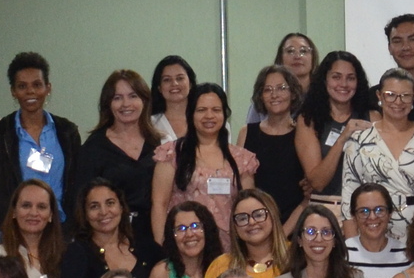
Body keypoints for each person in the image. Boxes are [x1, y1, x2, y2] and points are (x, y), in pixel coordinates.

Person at [339, 69, 414, 245]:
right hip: (372, 228)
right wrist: (353, 249)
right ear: (379, 96)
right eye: (390, 95)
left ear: (413, 98)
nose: (398, 102)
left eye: (405, 95)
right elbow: (349, 196)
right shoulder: (359, 139)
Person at [152, 82, 258, 251]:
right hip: (183, 248)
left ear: (224, 114)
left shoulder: (241, 159)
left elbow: (247, 208)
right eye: (201, 110)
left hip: (229, 251)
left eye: (216, 110)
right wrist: (161, 248)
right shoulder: (172, 154)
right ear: (191, 114)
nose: (209, 116)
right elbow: (159, 204)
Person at [0, 52, 82, 223]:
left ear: (48, 88)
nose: (30, 91)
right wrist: (18, 224)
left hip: (62, 228)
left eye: (37, 84)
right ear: (13, 91)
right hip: (16, 230)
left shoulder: (67, 131)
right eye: (22, 86)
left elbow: (77, 184)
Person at [73, 68, 157, 241]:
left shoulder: (158, 144)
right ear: (108, 104)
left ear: (144, 100)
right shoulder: (93, 148)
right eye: (117, 98)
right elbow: (80, 203)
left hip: (152, 236)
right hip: (109, 238)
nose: (126, 104)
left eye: (133, 96)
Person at [61, 178, 150, 278]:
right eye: (94, 206)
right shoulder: (76, 254)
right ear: (85, 214)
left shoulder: (145, 248)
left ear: (121, 207)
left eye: (110, 203)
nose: (103, 212)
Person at [294, 50, 374, 214]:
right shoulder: (308, 120)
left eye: (350, 78)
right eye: (336, 77)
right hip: (324, 209)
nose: (343, 84)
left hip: (364, 209)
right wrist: (343, 137)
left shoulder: (372, 116)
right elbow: (317, 182)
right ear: (324, 80)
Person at [202, 189, 288, 278]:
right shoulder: (221, 266)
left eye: (258, 215)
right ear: (235, 227)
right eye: (242, 218)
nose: (252, 222)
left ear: (273, 216)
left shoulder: (296, 257)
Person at [240, 64, 306, 216]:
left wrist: (282, 233)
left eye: (281, 88)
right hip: (256, 221)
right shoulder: (246, 132)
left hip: (296, 225)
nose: (274, 94)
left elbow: (308, 194)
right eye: (267, 89)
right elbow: (243, 190)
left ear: (293, 93)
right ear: (260, 96)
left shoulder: (303, 135)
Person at [341, 184, 405, 278]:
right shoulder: (341, 256)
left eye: (379, 210)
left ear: (390, 213)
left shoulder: (406, 256)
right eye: (363, 211)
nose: (372, 217)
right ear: (353, 216)